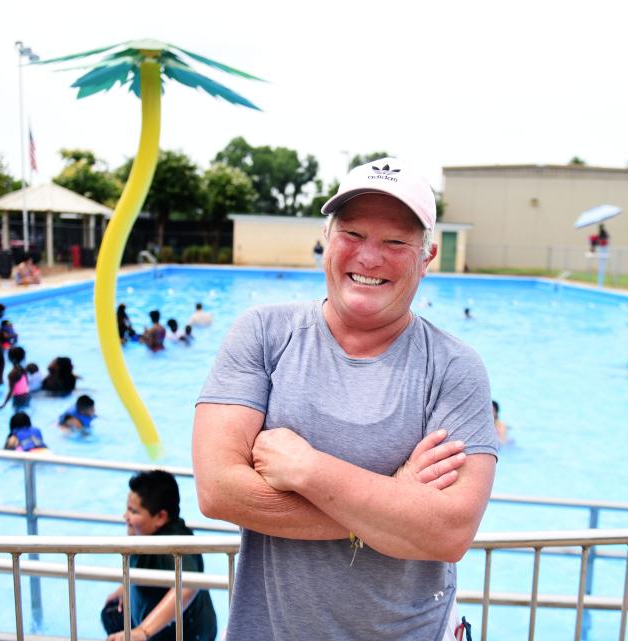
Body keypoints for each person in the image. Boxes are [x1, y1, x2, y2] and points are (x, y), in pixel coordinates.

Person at [192, 157, 497, 641]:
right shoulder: (265, 335)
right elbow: (217, 491)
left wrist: (310, 470)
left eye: (395, 242)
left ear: (427, 257)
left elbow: (449, 533)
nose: (369, 257)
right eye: (352, 234)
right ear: (327, 240)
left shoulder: (454, 367)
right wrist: (393, 501)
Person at [102, 470, 217, 641]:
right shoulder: (145, 535)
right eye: (127, 509)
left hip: (188, 635)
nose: (125, 517)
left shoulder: (174, 543)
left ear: (160, 517)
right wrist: (125, 588)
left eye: (134, 512)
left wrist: (143, 631)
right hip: (165, 622)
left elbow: (188, 585)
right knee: (112, 614)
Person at [0, 347, 31, 411]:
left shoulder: (12, 374)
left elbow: (11, 391)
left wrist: (4, 404)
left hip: (18, 398)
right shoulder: (23, 369)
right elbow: (27, 384)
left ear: (9, 358)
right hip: (27, 396)